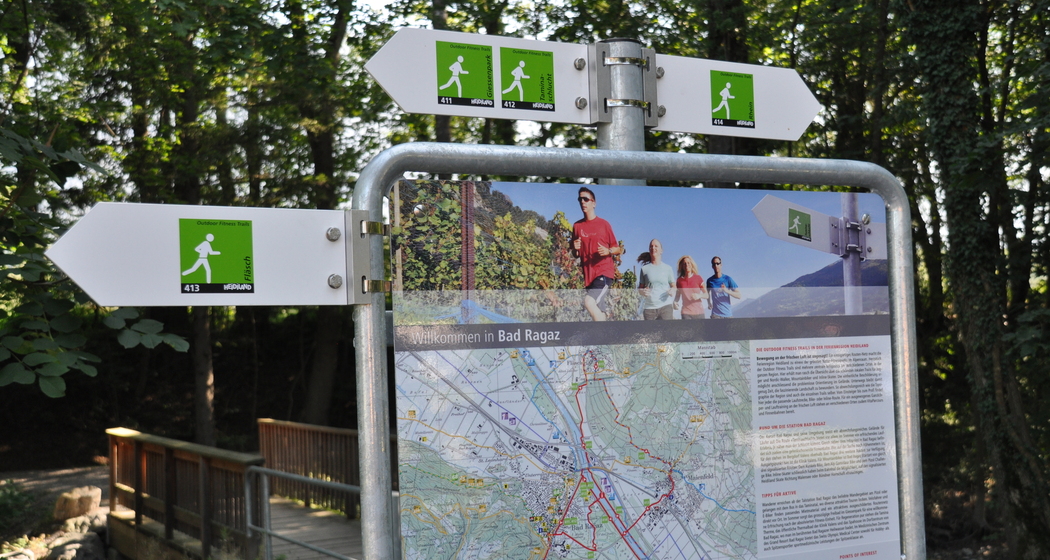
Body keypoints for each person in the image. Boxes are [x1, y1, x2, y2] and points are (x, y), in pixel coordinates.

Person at [572, 187, 622, 321]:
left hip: (604, 272)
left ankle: (600, 334)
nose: (583, 202)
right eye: (580, 199)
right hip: (589, 276)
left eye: (586, 199)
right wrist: (575, 249)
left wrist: (608, 251)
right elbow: (576, 253)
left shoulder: (604, 224)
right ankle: (606, 334)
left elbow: (617, 248)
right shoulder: (577, 226)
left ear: (593, 203)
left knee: (589, 302)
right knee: (600, 312)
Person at [639, 239, 676, 320]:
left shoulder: (668, 268)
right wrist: (643, 291)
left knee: (667, 332)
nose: (653, 248)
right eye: (651, 246)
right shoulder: (644, 269)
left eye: (656, 246)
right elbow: (640, 289)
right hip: (649, 308)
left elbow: (674, 286)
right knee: (650, 332)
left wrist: (672, 290)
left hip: (665, 306)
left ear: (661, 250)